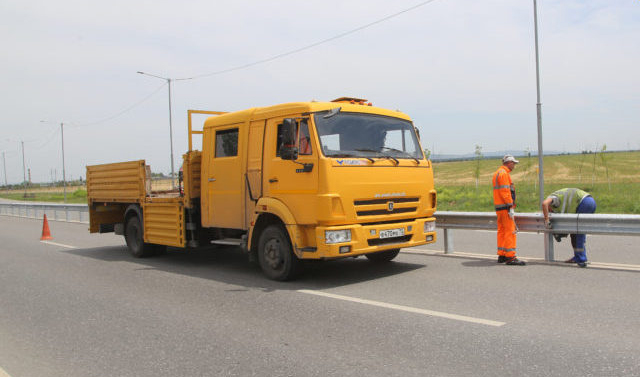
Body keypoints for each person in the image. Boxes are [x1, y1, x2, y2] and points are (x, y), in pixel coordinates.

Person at [541, 188, 596, 268]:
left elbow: (544, 204)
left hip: (584, 202)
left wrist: (547, 220)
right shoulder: (559, 200)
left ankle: (581, 258)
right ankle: (578, 256)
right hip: (589, 201)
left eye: (549, 211)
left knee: (578, 232)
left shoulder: (554, 199)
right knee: (575, 232)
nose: (550, 212)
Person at [492, 155, 526, 265]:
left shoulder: (497, 173)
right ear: (509, 162)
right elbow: (505, 192)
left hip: (499, 208)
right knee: (510, 231)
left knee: (502, 231)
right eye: (514, 163)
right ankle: (511, 257)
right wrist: (510, 206)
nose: (514, 165)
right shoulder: (503, 174)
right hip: (505, 207)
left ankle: (502, 254)